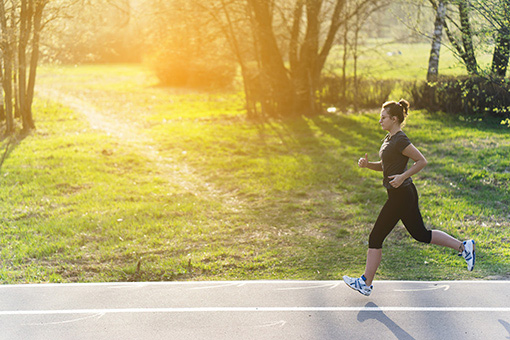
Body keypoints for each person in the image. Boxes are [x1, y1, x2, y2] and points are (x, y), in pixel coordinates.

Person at [343, 99, 475, 296]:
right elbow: (386, 164)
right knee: (421, 234)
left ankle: (365, 282)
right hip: (402, 193)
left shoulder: (400, 139)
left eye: (383, 118)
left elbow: (421, 161)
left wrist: (403, 176)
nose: (380, 121)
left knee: (376, 236)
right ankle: (463, 246)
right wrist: (368, 164)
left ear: (394, 119)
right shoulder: (389, 139)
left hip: (401, 195)